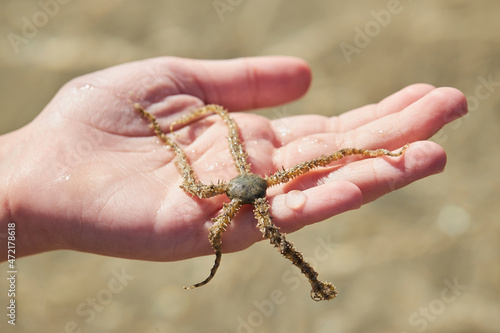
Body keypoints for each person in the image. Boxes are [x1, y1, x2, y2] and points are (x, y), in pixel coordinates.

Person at [0, 56, 467, 262]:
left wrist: (19, 202)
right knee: (244, 136)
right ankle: (313, 277)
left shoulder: (243, 189)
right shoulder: (231, 196)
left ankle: (387, 153)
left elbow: (338, 151)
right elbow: (208, 160)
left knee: (343, 154)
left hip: (257, 180)